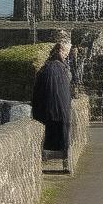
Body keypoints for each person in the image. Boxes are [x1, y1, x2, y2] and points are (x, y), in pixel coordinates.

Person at [32, 42, 73, 172]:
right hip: (62, 109)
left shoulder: (45, 68)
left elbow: (37, 92)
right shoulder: (62, 68)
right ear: (62, 51)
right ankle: (65, 163)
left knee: (48, 134)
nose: (67, 55)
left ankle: (47, 159)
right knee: (63, 135)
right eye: (66, 52)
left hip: (46, 109)